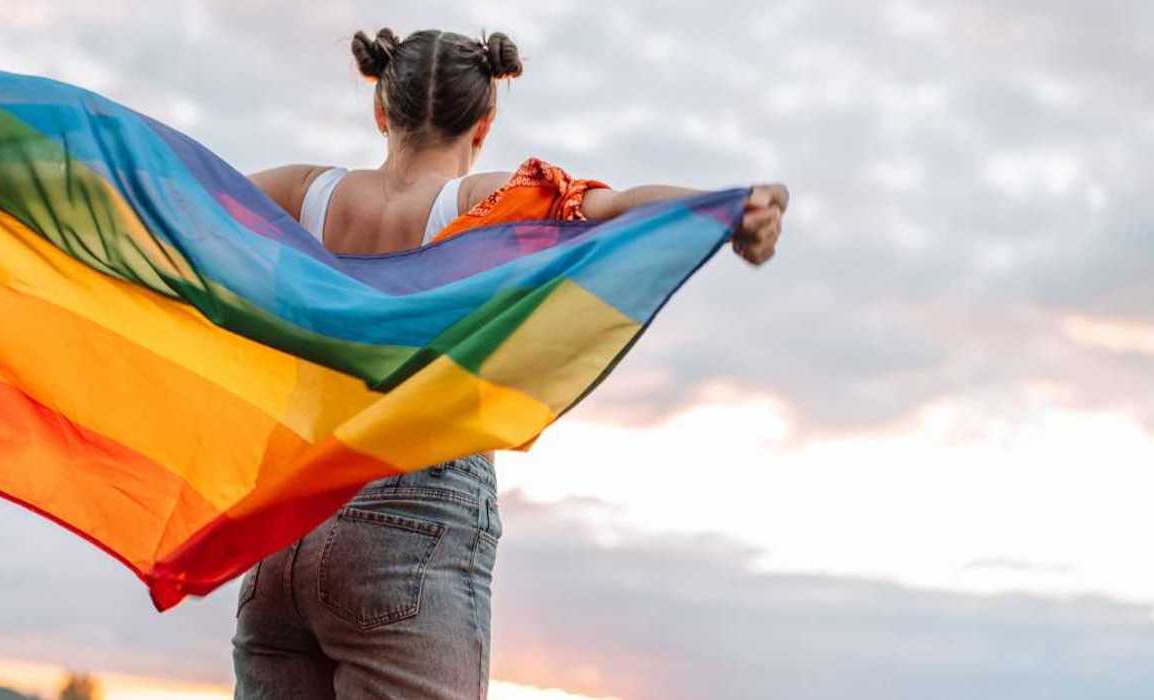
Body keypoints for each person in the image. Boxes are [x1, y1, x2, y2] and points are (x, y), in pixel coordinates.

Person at [232, 27, 789, 699]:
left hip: (281, 529)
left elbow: (172, 195)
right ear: (483, 124)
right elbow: (613, 207)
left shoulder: (302, 192)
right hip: (408, 525)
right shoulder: (484, 206)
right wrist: (732, 208)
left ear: (380, 109)